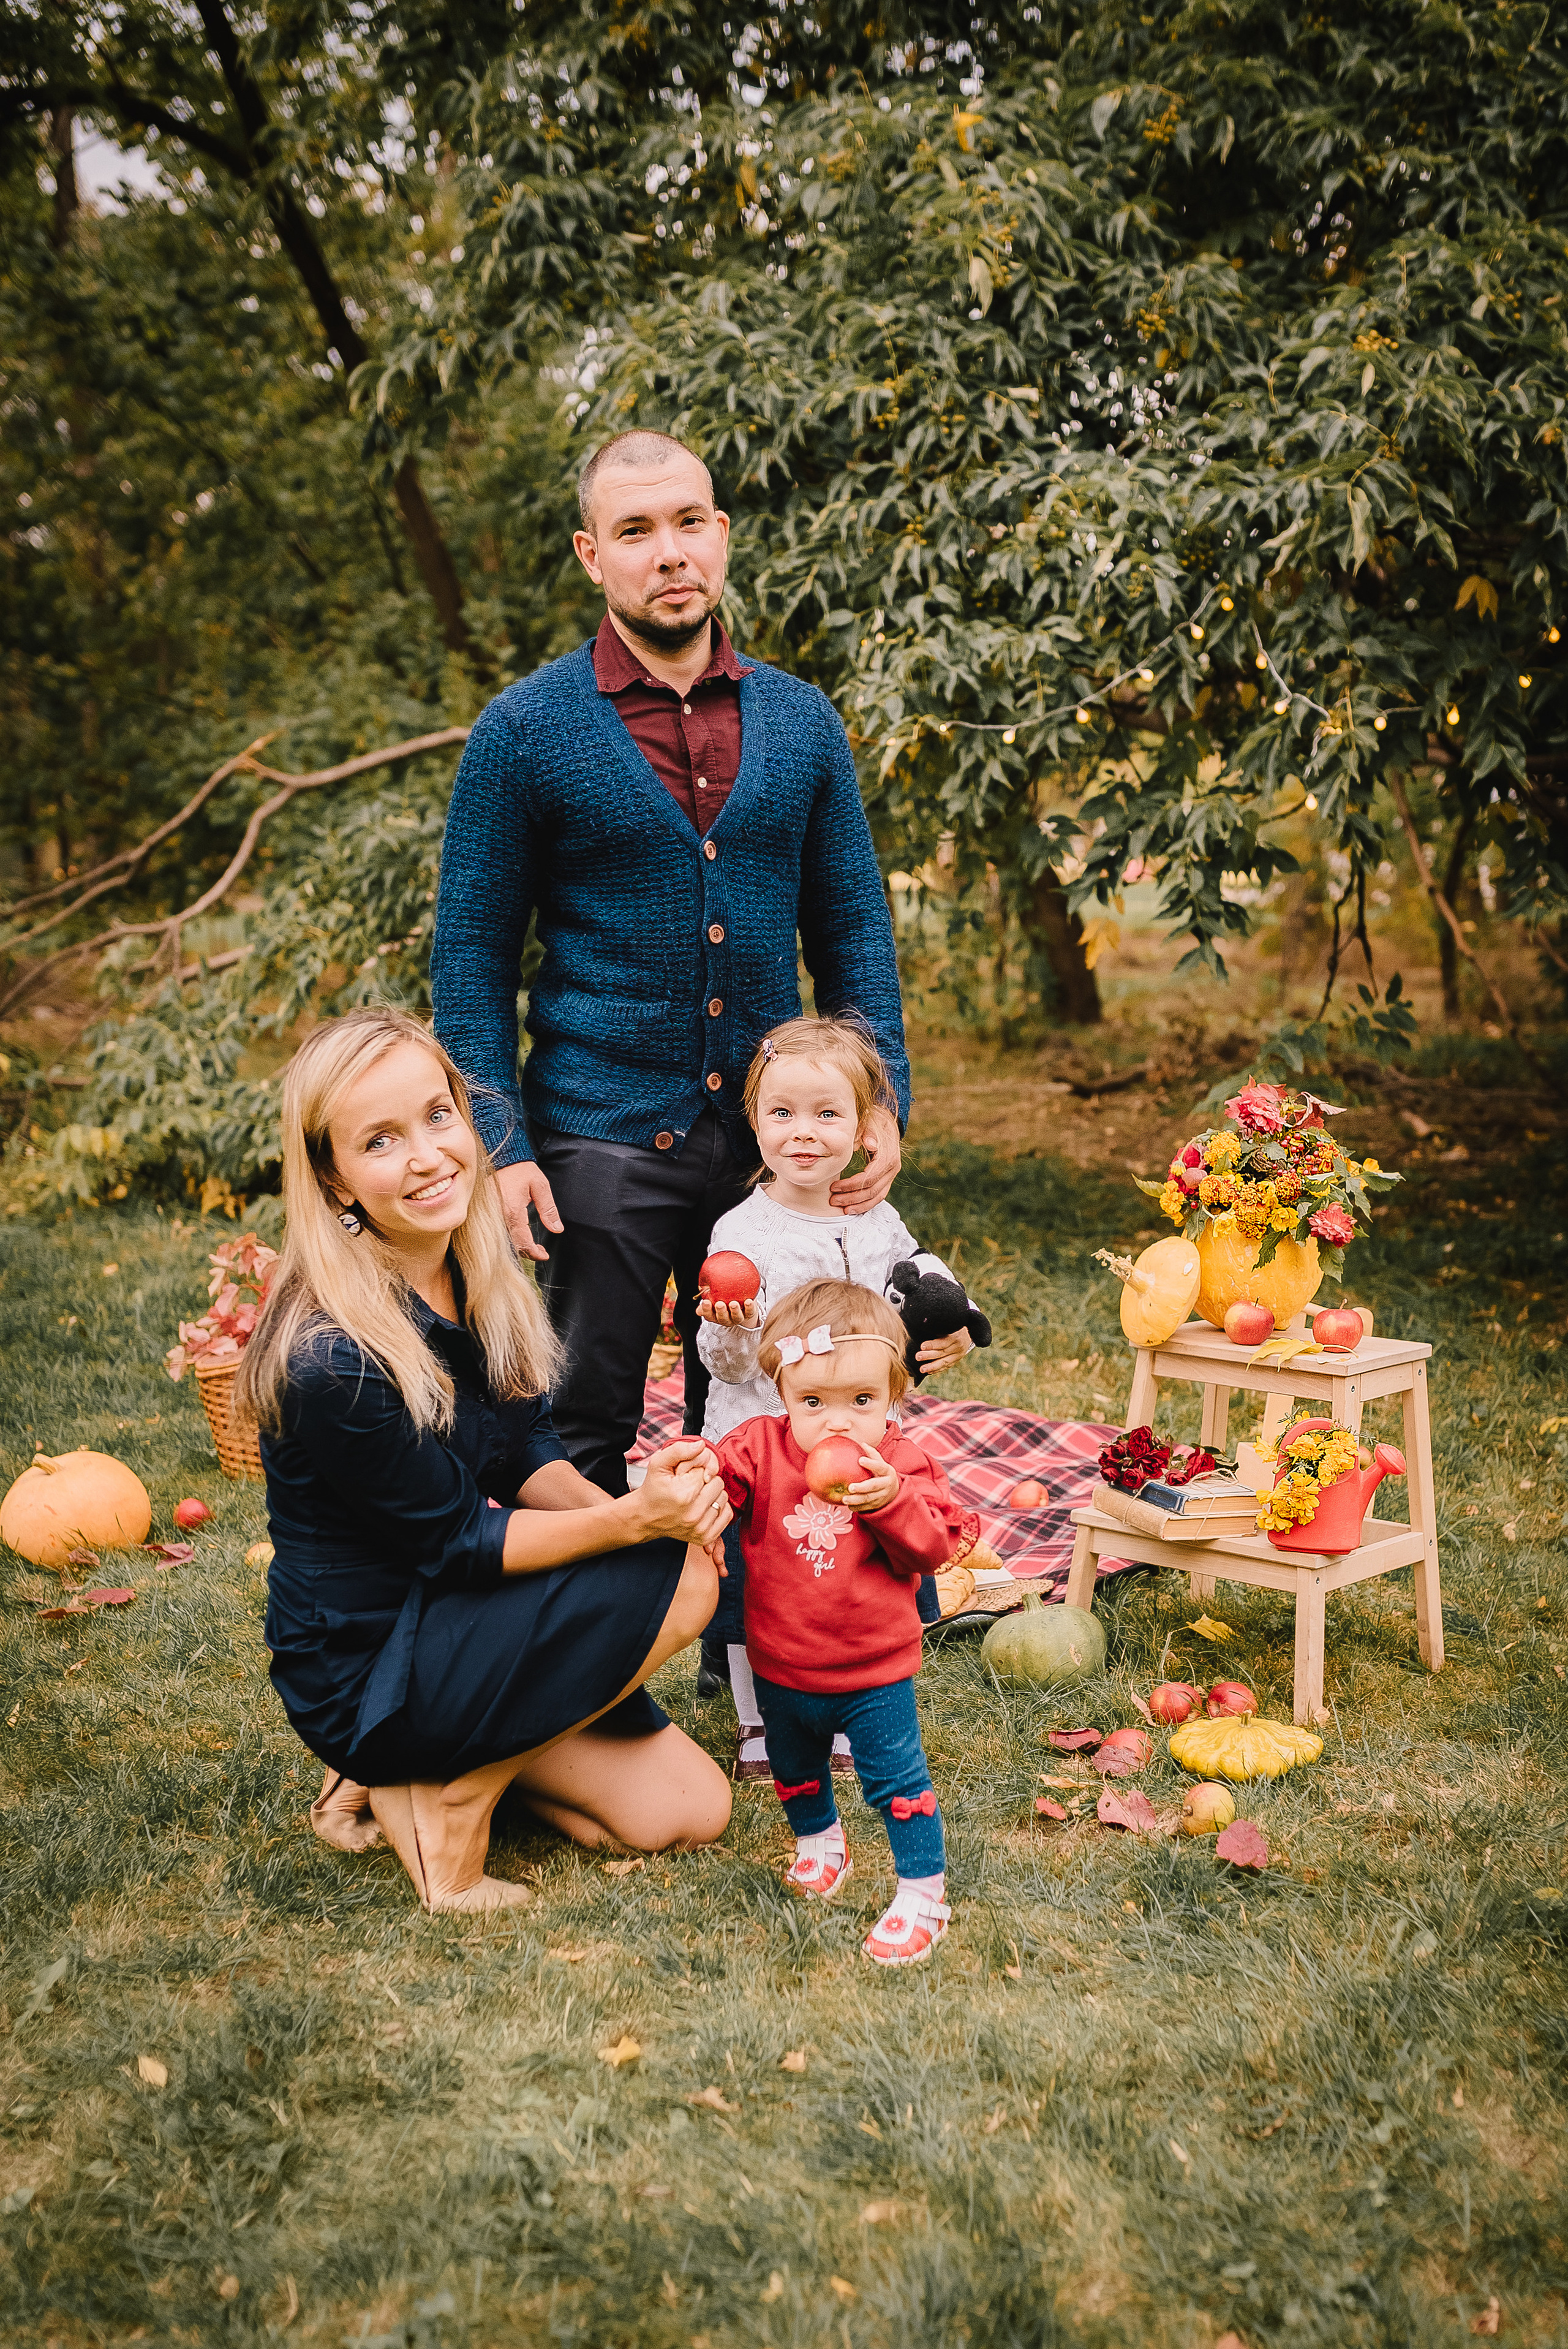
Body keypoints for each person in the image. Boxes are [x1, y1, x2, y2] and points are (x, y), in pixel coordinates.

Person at [430, 428, 910, 1494]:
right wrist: (500, 1142)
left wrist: (881, 1104)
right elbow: (471, 959)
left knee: (769, 1400)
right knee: (581, 1411)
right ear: (592, 554)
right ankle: (596, 1653)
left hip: (773, 1138)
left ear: (722, 535)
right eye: (636, 530)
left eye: (689, 522)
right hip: (598, 1137)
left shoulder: (802, 721)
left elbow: (854, 934)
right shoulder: (523, 731)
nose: (670, 551)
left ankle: (750, 1648)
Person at [235, 1008, 734, 1914]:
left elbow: (523, 1447)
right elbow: (460, 1541)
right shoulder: (330, 1357)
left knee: (686, 1811)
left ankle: (402, 1780)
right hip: (372, 1662)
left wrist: (641, 1517)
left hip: (466, 1617)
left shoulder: (466, 1261)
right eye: (380, 1140)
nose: (427, 1156)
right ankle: (448, 1797)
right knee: (684, 1574)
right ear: (331, 1174)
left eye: (437, 1115)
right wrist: (636, 1526)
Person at [696, 1016, 991, 1777]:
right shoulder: (743, 1232)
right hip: (767, 1445)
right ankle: (760, 1722)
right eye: (783, 1114)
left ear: (863, 1127)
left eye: (827, 1115)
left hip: (862, 1442)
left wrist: (953, 1331)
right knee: (759, 1585)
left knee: (852, 1576)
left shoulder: (877, 1217)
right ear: (754, 1121)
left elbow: (918, 1290)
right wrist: (728, 1328)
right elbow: (726, 1367)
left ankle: (851, 1701)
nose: (804, 1134)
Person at [715, 1278, 955, 1967]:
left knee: (896, 1783)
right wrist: (693, 1484)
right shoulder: (762, 1449)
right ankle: (819, 1844)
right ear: (783, 1395)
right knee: (794, 1767)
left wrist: (890, 1502)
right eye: (813, 1403)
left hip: (872, 1669)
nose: (838, 1423)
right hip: (782, 1661)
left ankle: (921, 1894)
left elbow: (932, 1547)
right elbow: (719, 1479)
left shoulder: (901, 1467)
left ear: (893, 1398)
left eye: (861, 1401)